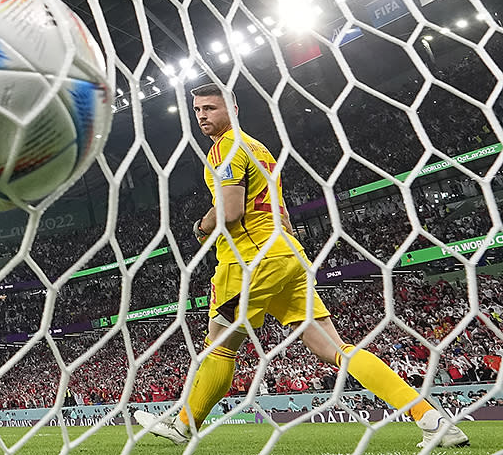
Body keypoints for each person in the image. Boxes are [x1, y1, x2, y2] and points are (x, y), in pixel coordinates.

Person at [134, 83, 468, 448]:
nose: (202, 116)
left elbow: (231, 211)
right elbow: (281, 211)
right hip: (288, 255)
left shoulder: (224, 148)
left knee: (220, 346)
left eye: (211, 108)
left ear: (233, 108)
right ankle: (432, 419)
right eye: (198, 110)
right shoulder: (259, 148)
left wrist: (200, 228)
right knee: (334, 348)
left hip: (250, 260)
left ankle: (183, 425)